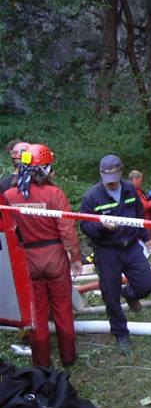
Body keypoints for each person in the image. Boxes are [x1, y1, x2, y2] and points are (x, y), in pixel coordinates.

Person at [5, 144, 82, 367]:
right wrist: (75, 258)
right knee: (62, 307)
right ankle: (68, 357)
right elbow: (67, 229)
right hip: (55, 257)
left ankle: (41, 363)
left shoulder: (9, 196)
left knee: (36, 313)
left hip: (28, 260)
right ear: (46, 168)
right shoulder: (54, 194)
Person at [80, 155, 151, 354]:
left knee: (148, 284)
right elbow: (85, 226)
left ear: (121, 172)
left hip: (130, 246)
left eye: (114, 178)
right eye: (107, 179)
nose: (111, 183)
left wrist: (146, 236)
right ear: (101, 174)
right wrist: (102, 226)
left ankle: (130, 294)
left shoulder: (130, 189)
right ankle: (121, 334)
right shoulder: (92, 197)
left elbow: (140, 216)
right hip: (107, 251)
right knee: (110, 295)